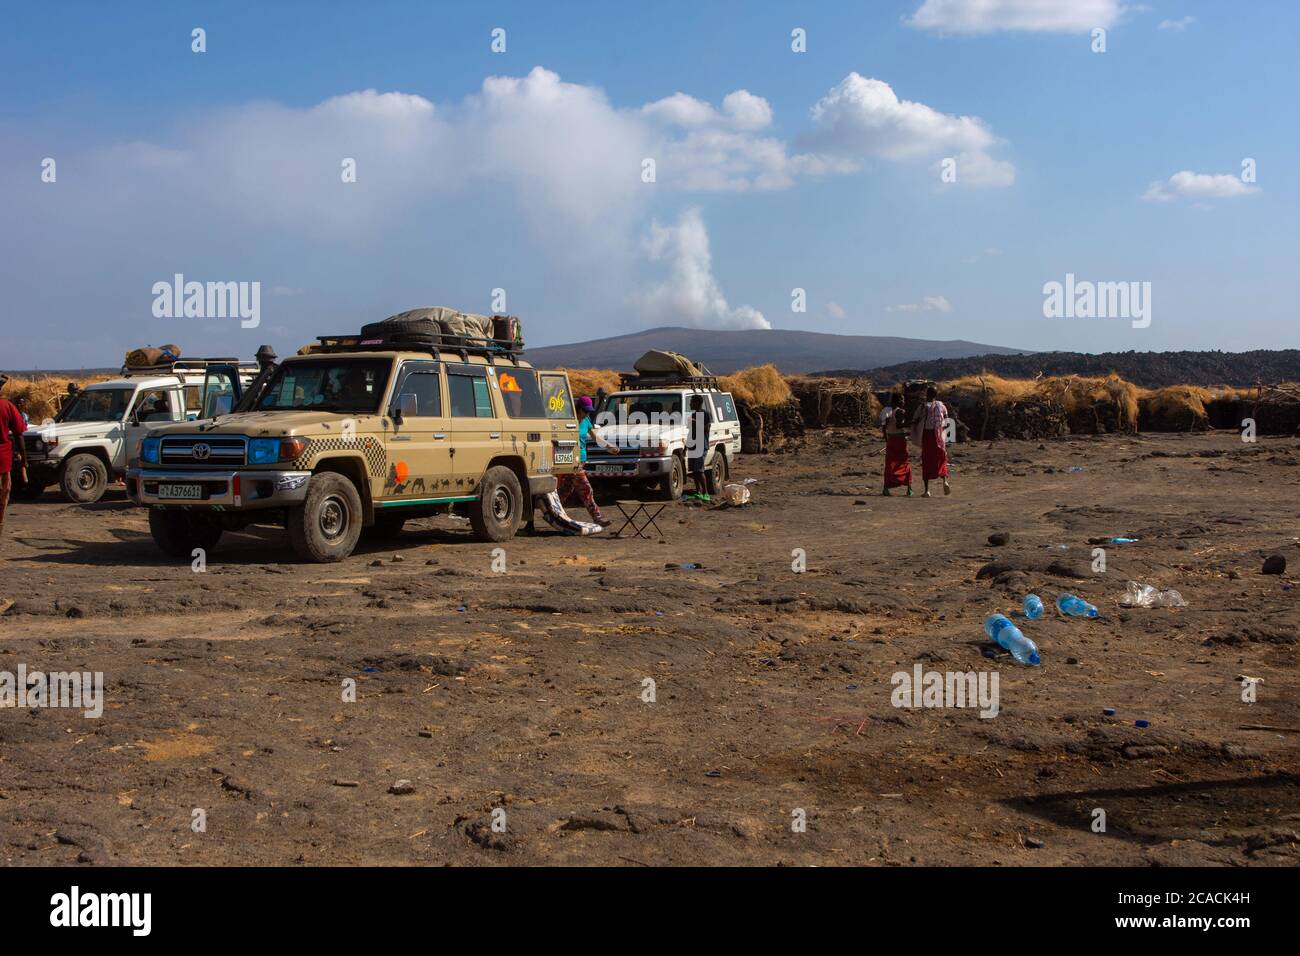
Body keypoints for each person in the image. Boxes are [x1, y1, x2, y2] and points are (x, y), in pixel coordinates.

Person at [556, 395, 619, 527]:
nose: (586, 414)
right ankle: (597, 517)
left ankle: (553, 514)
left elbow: (595, 438)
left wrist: (609, 447)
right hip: (571, 460)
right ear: (578, 409)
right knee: (586, 489)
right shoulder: (568, 421)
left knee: (564, 491)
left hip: (582, 459)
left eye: (589, 411)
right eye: (585, 411)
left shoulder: (586, 421)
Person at [0, 374, 29, 546]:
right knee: (3, 496)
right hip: (2, 461)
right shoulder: (7, 406)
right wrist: (24, 459)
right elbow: (19, 435)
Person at [911, 384, 951, 498]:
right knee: (941, 458)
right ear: (936, 395)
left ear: (927, 394)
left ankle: (927, 490)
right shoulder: (941, 406)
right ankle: (945, 481)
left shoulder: (923, 407)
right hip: (939, 436)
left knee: (927, 460)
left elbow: (914, 420)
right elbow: (947, 421)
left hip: (927, 436)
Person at [882, 405, 913, 496]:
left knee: (890, 464)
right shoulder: (900, 411)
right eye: (901, 399)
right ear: (898, 401)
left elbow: (884, 427)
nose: (903, 402)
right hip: (900, 441)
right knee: (904, 462)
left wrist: (886, 439)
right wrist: (912, 423)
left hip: (891, 439)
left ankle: (886, 488)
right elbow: (899, 425)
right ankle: (909, 488)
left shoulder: (886, 411)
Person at [686, 395, 713, 498]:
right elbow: (690, 432)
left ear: (698, 403)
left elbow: (706, 429)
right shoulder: (693, 415)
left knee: (699, 470)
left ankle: (705, 493)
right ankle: (698, 492)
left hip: (701, 445)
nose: (690, 404)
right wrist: (686, 447)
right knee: (694, 471)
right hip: (693, 446)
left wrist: (695, 422)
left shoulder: (706, 414)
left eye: (692, 402)